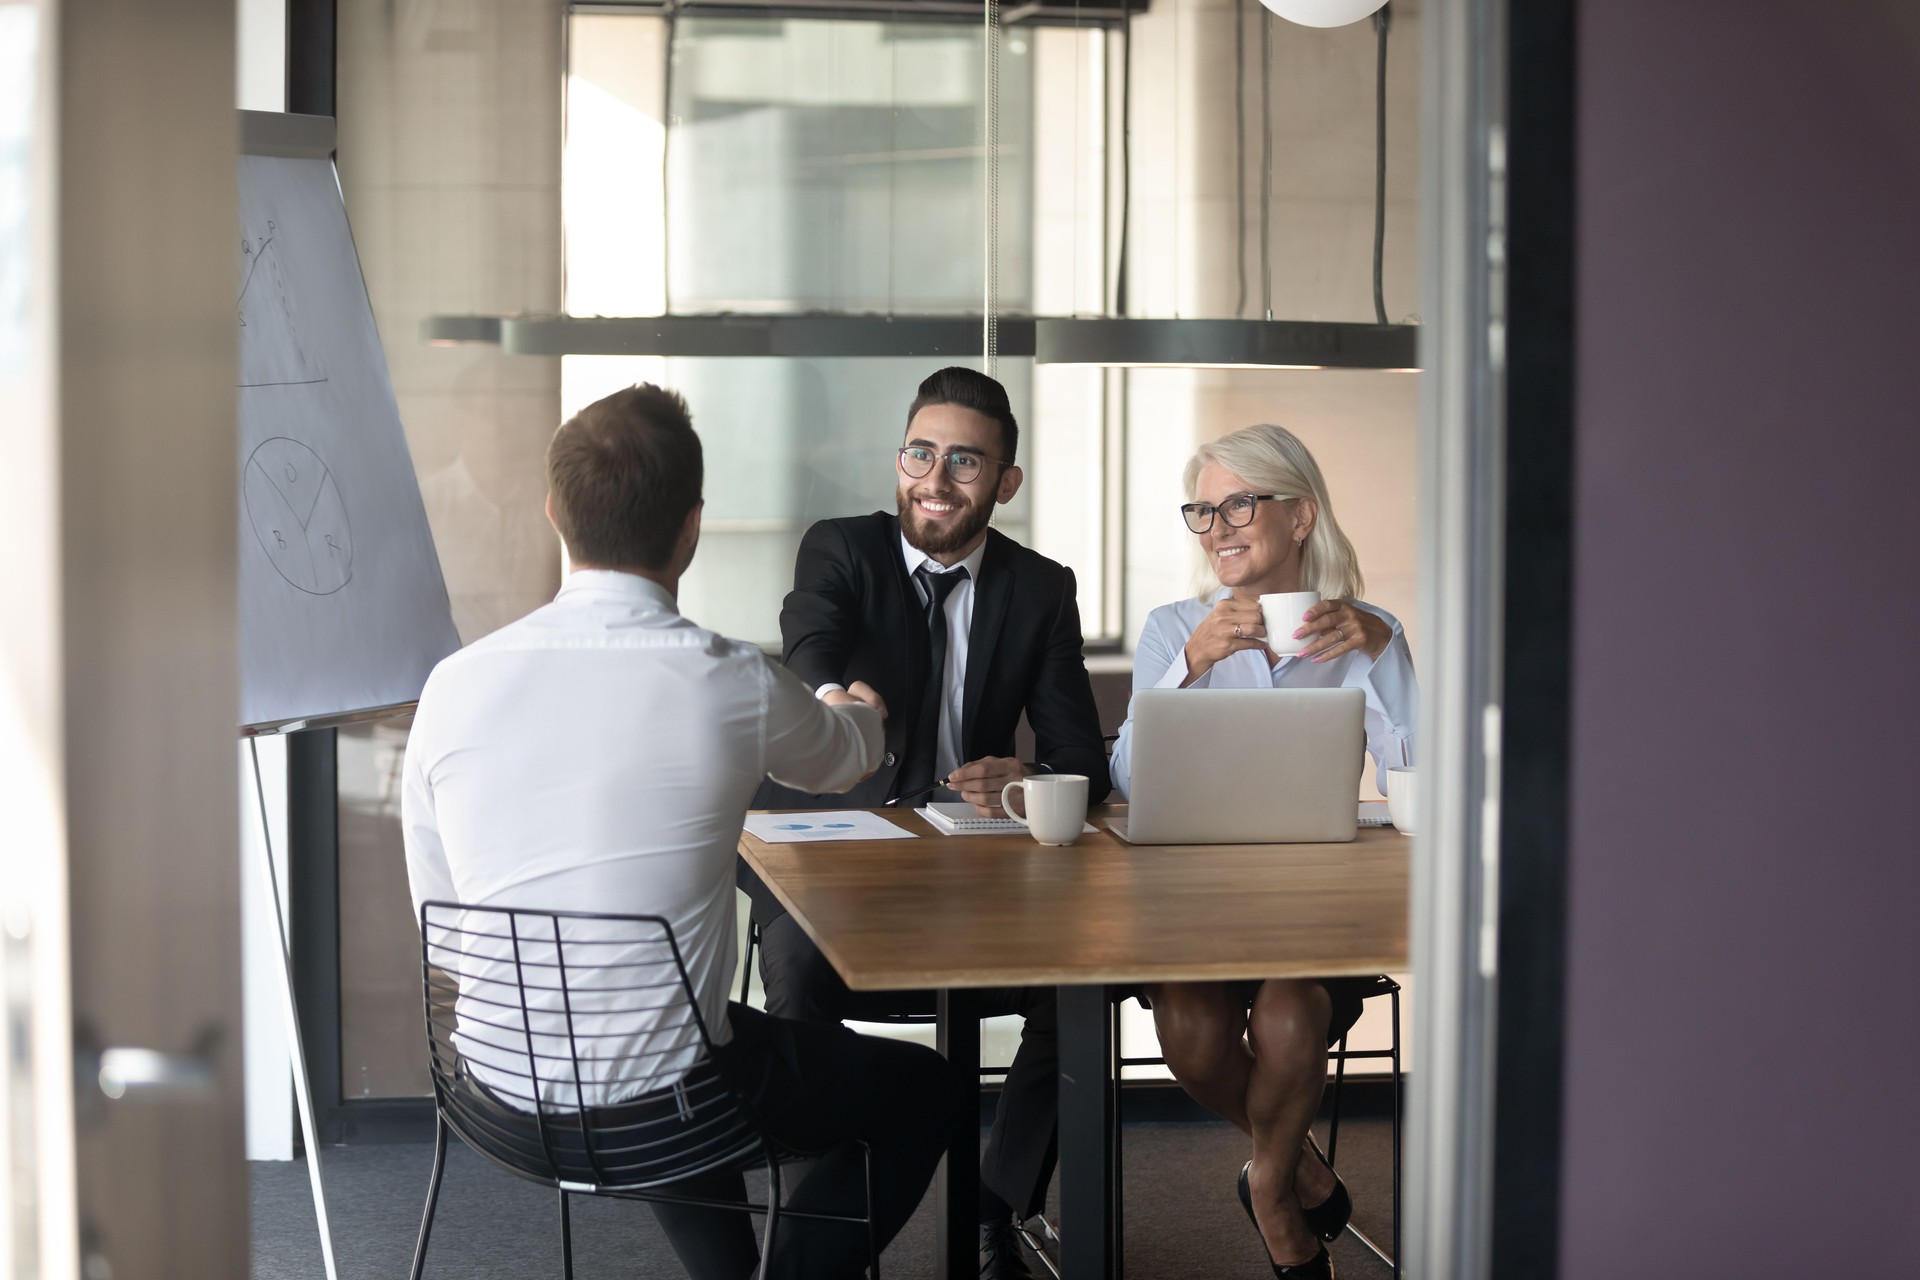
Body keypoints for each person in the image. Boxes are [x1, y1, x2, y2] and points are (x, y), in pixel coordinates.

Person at [402, 384, 957, 1280]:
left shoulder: (452, 685)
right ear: (692, 526)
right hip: (663, 1104)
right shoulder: (725, 678)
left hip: (490, 1093)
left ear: (554, 512)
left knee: (675, 1026)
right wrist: (855, 705)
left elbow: (444, 919)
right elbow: (842, 759)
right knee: (923, 1091)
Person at [748, 366, 1110, 1279]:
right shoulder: (844, 547)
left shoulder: (1039, 589)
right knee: (793, 964)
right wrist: (835, 705)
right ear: (897, 456)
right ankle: (829, 1241)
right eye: (920, 452)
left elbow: (1083, 763)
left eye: (965, 462)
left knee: (1086, 988)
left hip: (972, 868)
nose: (936, 480)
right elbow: (811, 636)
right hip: (839, 858)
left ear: (1005, 484)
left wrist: (1027, 780)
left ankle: (995, 1209)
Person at [1109, 423, 1417, 1280]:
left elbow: (1417, 782)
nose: (1218, 528)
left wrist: (1384, 660)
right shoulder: (1174, 626)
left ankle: (1273, 1190)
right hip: (1193, 897)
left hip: (1314, 898)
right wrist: (1191, 668)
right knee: (1194, 1036)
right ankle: (1301, 1163)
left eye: (1239, 503)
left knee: (1290, 1018)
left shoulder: (1370, 630)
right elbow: (1128, 779)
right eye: (1202, 511)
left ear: (1302, 516)